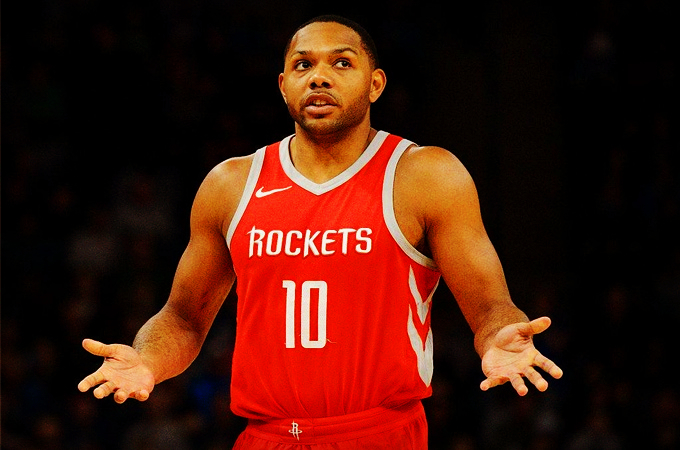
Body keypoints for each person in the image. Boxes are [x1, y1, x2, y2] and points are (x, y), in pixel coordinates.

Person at [78, 14, 563, 449]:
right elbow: (184, 318)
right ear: (283, 85)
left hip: (380, 435)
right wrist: (146, 359)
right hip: (265, 436)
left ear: (375, 84)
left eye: (342, 63)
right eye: (303, 65)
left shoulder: (425, 176)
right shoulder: (231, 184)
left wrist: (500, 336)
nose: (319, 77)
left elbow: (489, 307)